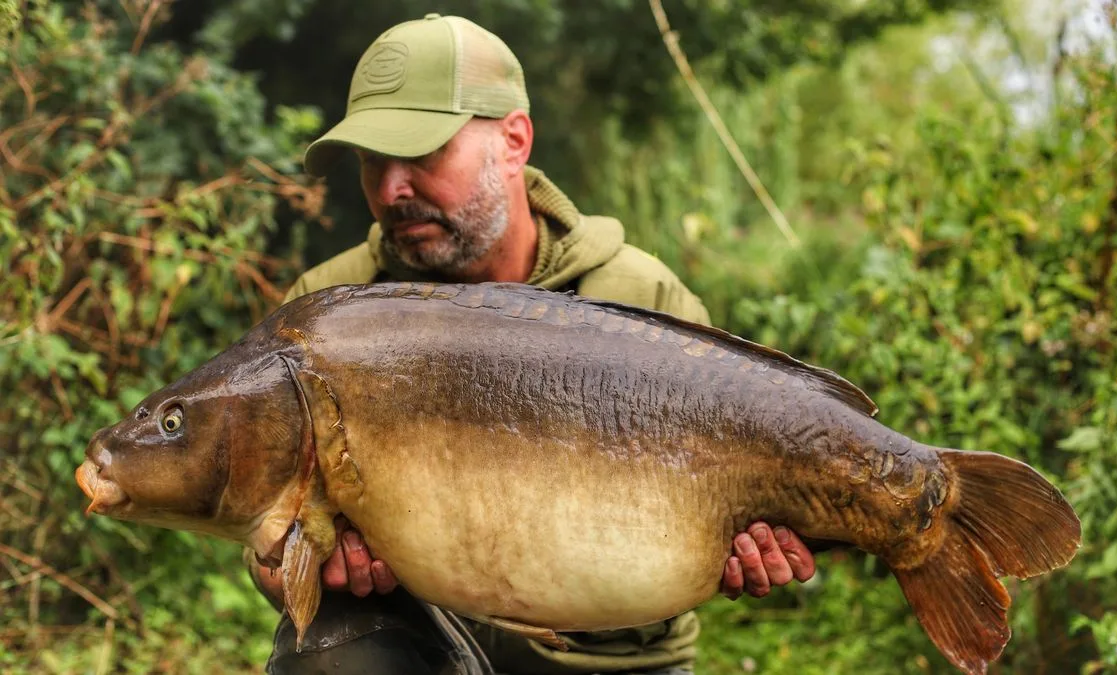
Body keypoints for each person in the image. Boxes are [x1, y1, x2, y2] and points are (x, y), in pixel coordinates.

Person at [248, 13, 816, 675]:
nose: (393, 188)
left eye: (424, 153)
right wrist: (290, 564)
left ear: (514, 142)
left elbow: (729, 517)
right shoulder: (327, 310)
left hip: (609, 660)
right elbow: (270, 538)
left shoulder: (642, 297)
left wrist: (752, 543)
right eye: (374, 161)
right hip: (414, 644)